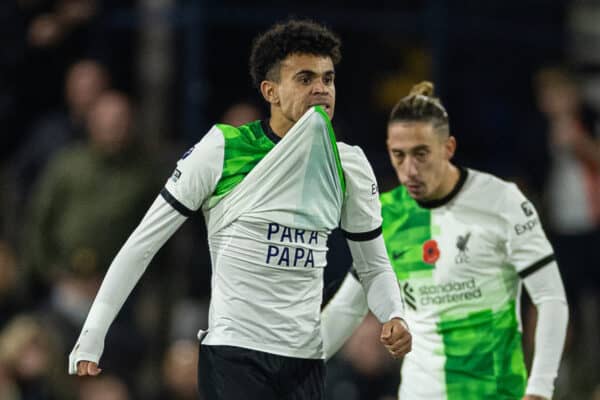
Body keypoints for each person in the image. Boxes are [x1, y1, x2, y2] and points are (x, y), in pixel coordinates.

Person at [68, 19, 411, 400]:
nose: (321, 89)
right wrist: (94, 330)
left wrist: (393, 314)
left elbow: (373, 264)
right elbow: (142, 244)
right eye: (304, 78)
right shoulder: (222, 149)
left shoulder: (348, 165)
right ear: (271, 91)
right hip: (234, 355)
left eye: (328, 79)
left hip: (305, 361)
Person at [321, 82, 569, 400]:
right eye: (399, 155)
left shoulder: (502, 202)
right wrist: (291, 371)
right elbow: (347, 308)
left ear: (447, 148)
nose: (409, 169)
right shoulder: (389, 215)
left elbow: (550, 299)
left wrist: (539, 389)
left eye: (421, 154)